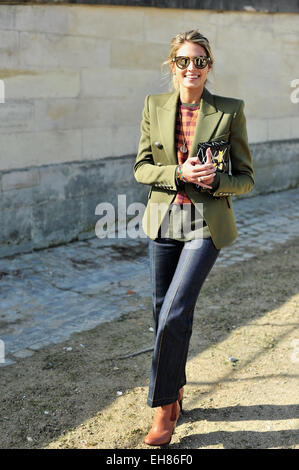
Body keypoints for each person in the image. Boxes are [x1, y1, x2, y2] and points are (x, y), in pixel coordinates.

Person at [134, 30, 254, 446]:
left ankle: (164, 409)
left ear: (209, 66)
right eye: (184, 60)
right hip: (164, 221)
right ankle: (176, 386)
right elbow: (142, 168)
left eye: (200, 61)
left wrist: (216, 179)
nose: (192, 68)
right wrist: (178, 174)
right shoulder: (154, 106)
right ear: (173, 65)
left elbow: (246, 180)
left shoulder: (229, 111)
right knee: (160, 313)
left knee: (176, 309)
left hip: (206, 224)